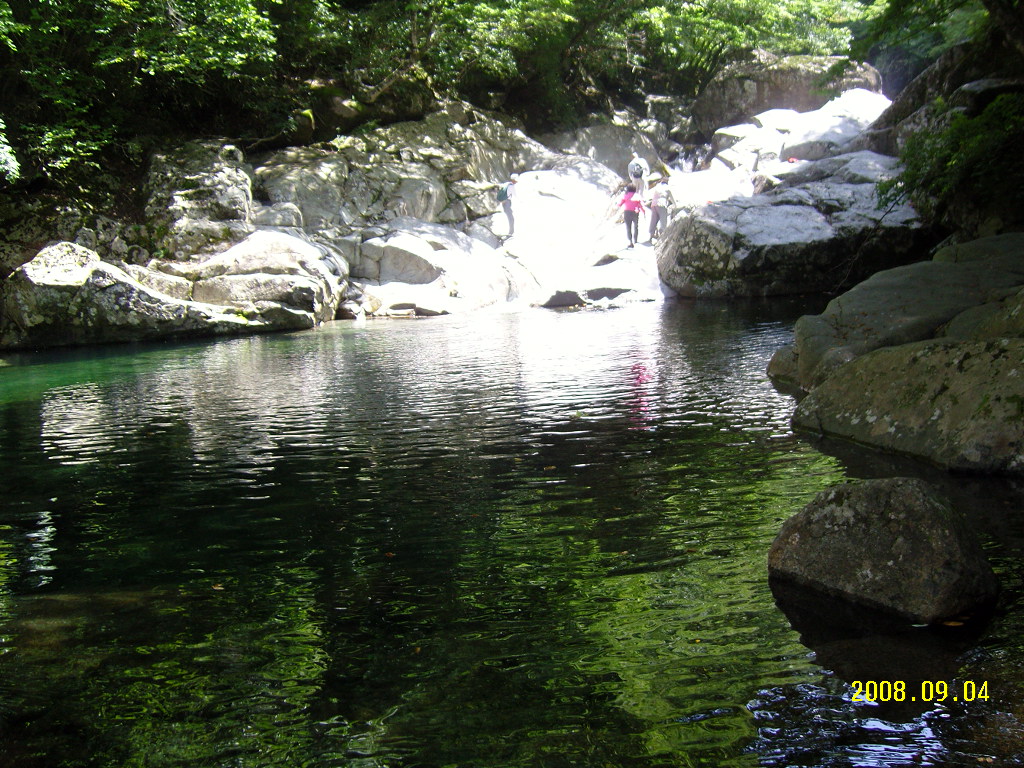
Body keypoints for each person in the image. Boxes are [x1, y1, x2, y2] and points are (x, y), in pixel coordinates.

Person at [617, 183, 646, 249]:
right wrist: (643, 211)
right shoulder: (637, 196)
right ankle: (635, 240)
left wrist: (617, 206)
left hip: (627, 212)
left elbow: (620, 203)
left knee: (628, 227)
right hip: (635, 212)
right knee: (636, 226)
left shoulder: (625, 195)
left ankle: (630, 241)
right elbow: (641, 204)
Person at [647, 175, 675, 242]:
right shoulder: (667, 187)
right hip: (661, 204)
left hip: (654, 204)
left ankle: (651, 235)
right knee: (663, 221)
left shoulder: (658, 186)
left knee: (654, 220)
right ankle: (662, 236)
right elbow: (671, 197)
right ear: (667, 181)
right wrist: (675, 204)